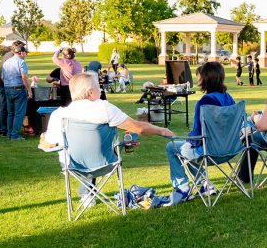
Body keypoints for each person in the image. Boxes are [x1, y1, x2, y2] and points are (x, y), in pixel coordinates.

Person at [39, 73, 174, 187]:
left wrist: (44, 136)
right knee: (104, 146)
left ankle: (87, 194)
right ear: (91, 92)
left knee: (82, 149)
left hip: (73, 165)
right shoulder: (103, 108)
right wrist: (162, 131)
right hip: (104, 163)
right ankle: (88, 192)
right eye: (99, 87)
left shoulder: (59, 114)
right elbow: (139, 128)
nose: (102, 90)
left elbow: (49, 144)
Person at [164, 62, 236, 201]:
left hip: (211, 151)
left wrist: (188, 140)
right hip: (230, 148)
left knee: (173, 147)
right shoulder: (228, 98)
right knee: (188, 148)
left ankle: (182, 187)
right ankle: (204, 184)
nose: (197, 80)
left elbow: (197, 135)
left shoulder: (205, 102)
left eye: (199, 77)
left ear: (206, 78)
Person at [1, 42, 32, 140]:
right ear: (22, 53)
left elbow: (2, 77)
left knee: (10, 113)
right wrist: (29, 90)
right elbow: (24, 77)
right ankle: (15, 135)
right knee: (19, 113)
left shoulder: (7, 62)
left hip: (7, 89)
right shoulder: (22, 62)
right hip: (18, 89)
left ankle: (10, 134)